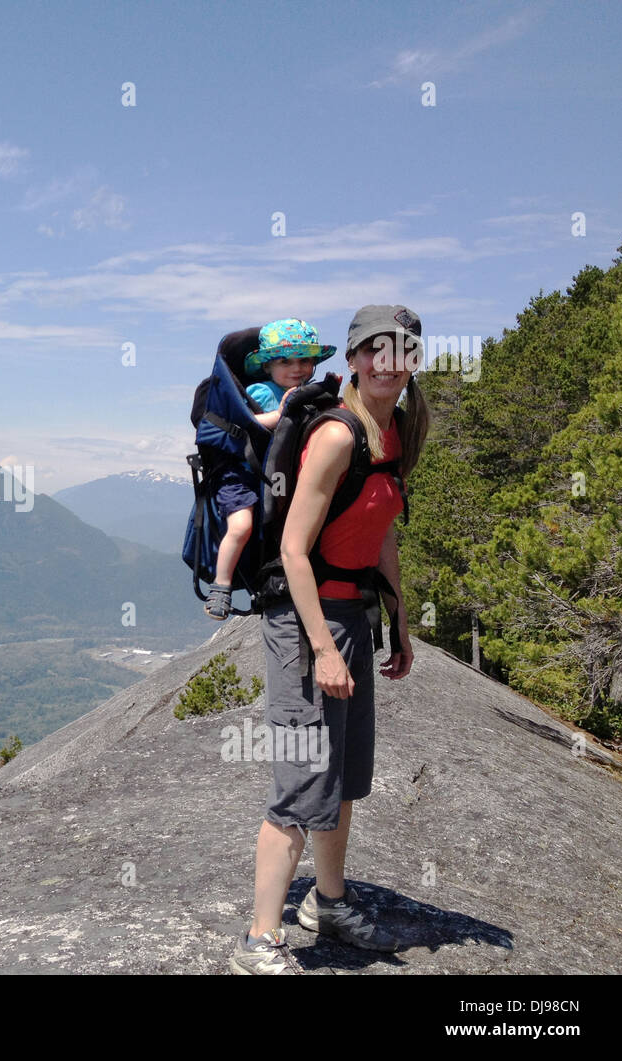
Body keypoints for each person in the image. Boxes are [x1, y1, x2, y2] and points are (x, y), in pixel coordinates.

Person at [229, 305, 431, 975]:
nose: (387, 363)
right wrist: (319, 648)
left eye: (402, 350)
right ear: (352, 359)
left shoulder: (396, 431)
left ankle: (330, 902)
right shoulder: (340, 435)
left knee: (340, 778)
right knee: (300, 784)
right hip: (304, 619)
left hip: (353, 616)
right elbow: (292, 550)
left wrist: (398, 620)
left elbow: (383, 529)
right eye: (374, 350)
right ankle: (261, 940)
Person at [205, 319, 335, 620]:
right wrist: (280, 414)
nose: (297, 368)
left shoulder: (306, 392)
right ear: (267, 367)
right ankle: (220, 587)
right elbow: (246, 424)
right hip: (239, 475)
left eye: (305, 360)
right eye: (285, 361)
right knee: (241, 527)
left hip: (274, 477)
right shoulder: (262, 392)